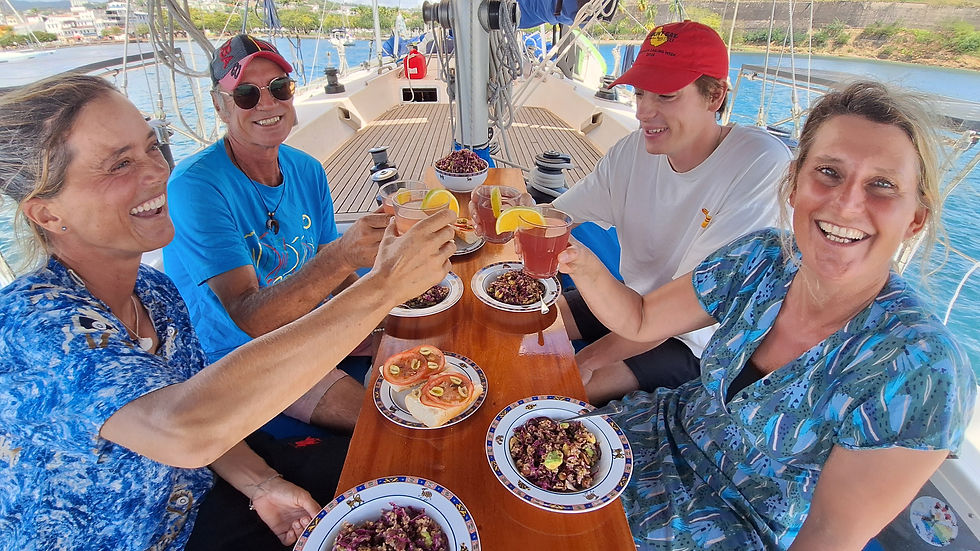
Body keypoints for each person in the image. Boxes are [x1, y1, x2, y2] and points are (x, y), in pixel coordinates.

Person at [0, 74, 456, 549]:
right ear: (48, 214)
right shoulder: (32, 322)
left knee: (405, 471)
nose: (157, 173)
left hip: (209, 491)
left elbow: (200, 407)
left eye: (153, 147)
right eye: (119, 164)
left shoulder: (153, 292)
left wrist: (262, 485)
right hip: (142, 537)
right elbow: (181, 427)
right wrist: (384, 287)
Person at [557, 81, 976, 550]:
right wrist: (580, 262)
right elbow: (638, 320)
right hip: (652, 432)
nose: (846, 203)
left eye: (882, 185)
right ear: (795, 185)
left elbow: (828, 536)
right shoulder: (761, 260)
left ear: (915, 218)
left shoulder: (920, 368)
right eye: (828, 172)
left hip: (735, 524)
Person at [550, 21, 793, 405]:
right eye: (640, 92)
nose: (644, 110)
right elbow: (559, 217)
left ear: (714, 97)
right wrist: (515, 219)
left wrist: (588, 359)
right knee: (530, 324)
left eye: (664, 95)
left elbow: (681, 312)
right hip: (630, 302)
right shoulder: (631, 151)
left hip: (695, 340)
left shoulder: (758, 164)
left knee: (559, 391)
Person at [163, 35, 387, 432]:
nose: (267, 104)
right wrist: (345, 257)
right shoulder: (195, 186)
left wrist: (372, 319)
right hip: (250, 353)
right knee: (383, 421)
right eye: (247, 94)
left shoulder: (307, 169)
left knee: (424, 339)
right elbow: (250, 317)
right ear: (220, 106)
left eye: (280, 88)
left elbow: (329, 257)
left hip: (313, 319)